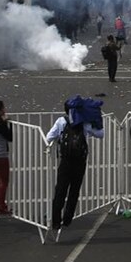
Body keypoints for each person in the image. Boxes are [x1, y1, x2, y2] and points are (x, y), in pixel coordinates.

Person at [46, 95, 105, 230]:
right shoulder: (85, 123)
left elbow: (49, 137)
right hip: (80, 160)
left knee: (60, 189)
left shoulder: (61, 121)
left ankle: (55, 220)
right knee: (74, 190)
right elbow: (101, 134)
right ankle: (67, 218)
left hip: (65, 160)